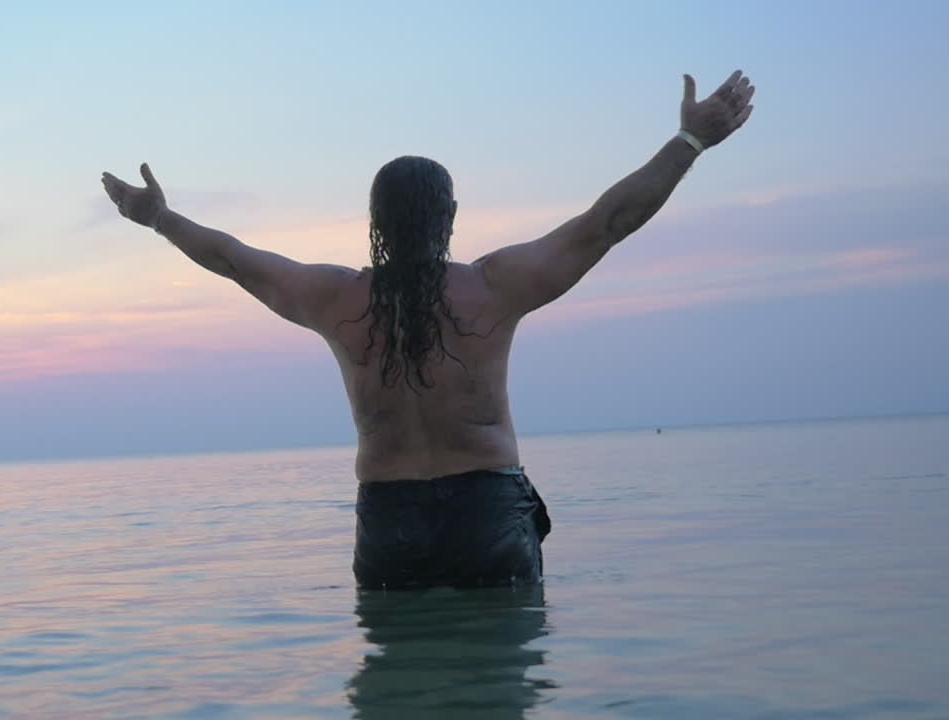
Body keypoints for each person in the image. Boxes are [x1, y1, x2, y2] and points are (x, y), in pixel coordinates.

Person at [101, 70, 755, 589]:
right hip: (487, 516)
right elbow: (610, 221)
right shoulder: (495, 286)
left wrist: (160, 218)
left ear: (374, 219)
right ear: (451, 215)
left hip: (390, 525)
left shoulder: (335, 297)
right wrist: (690, 142)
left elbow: (232, 259)